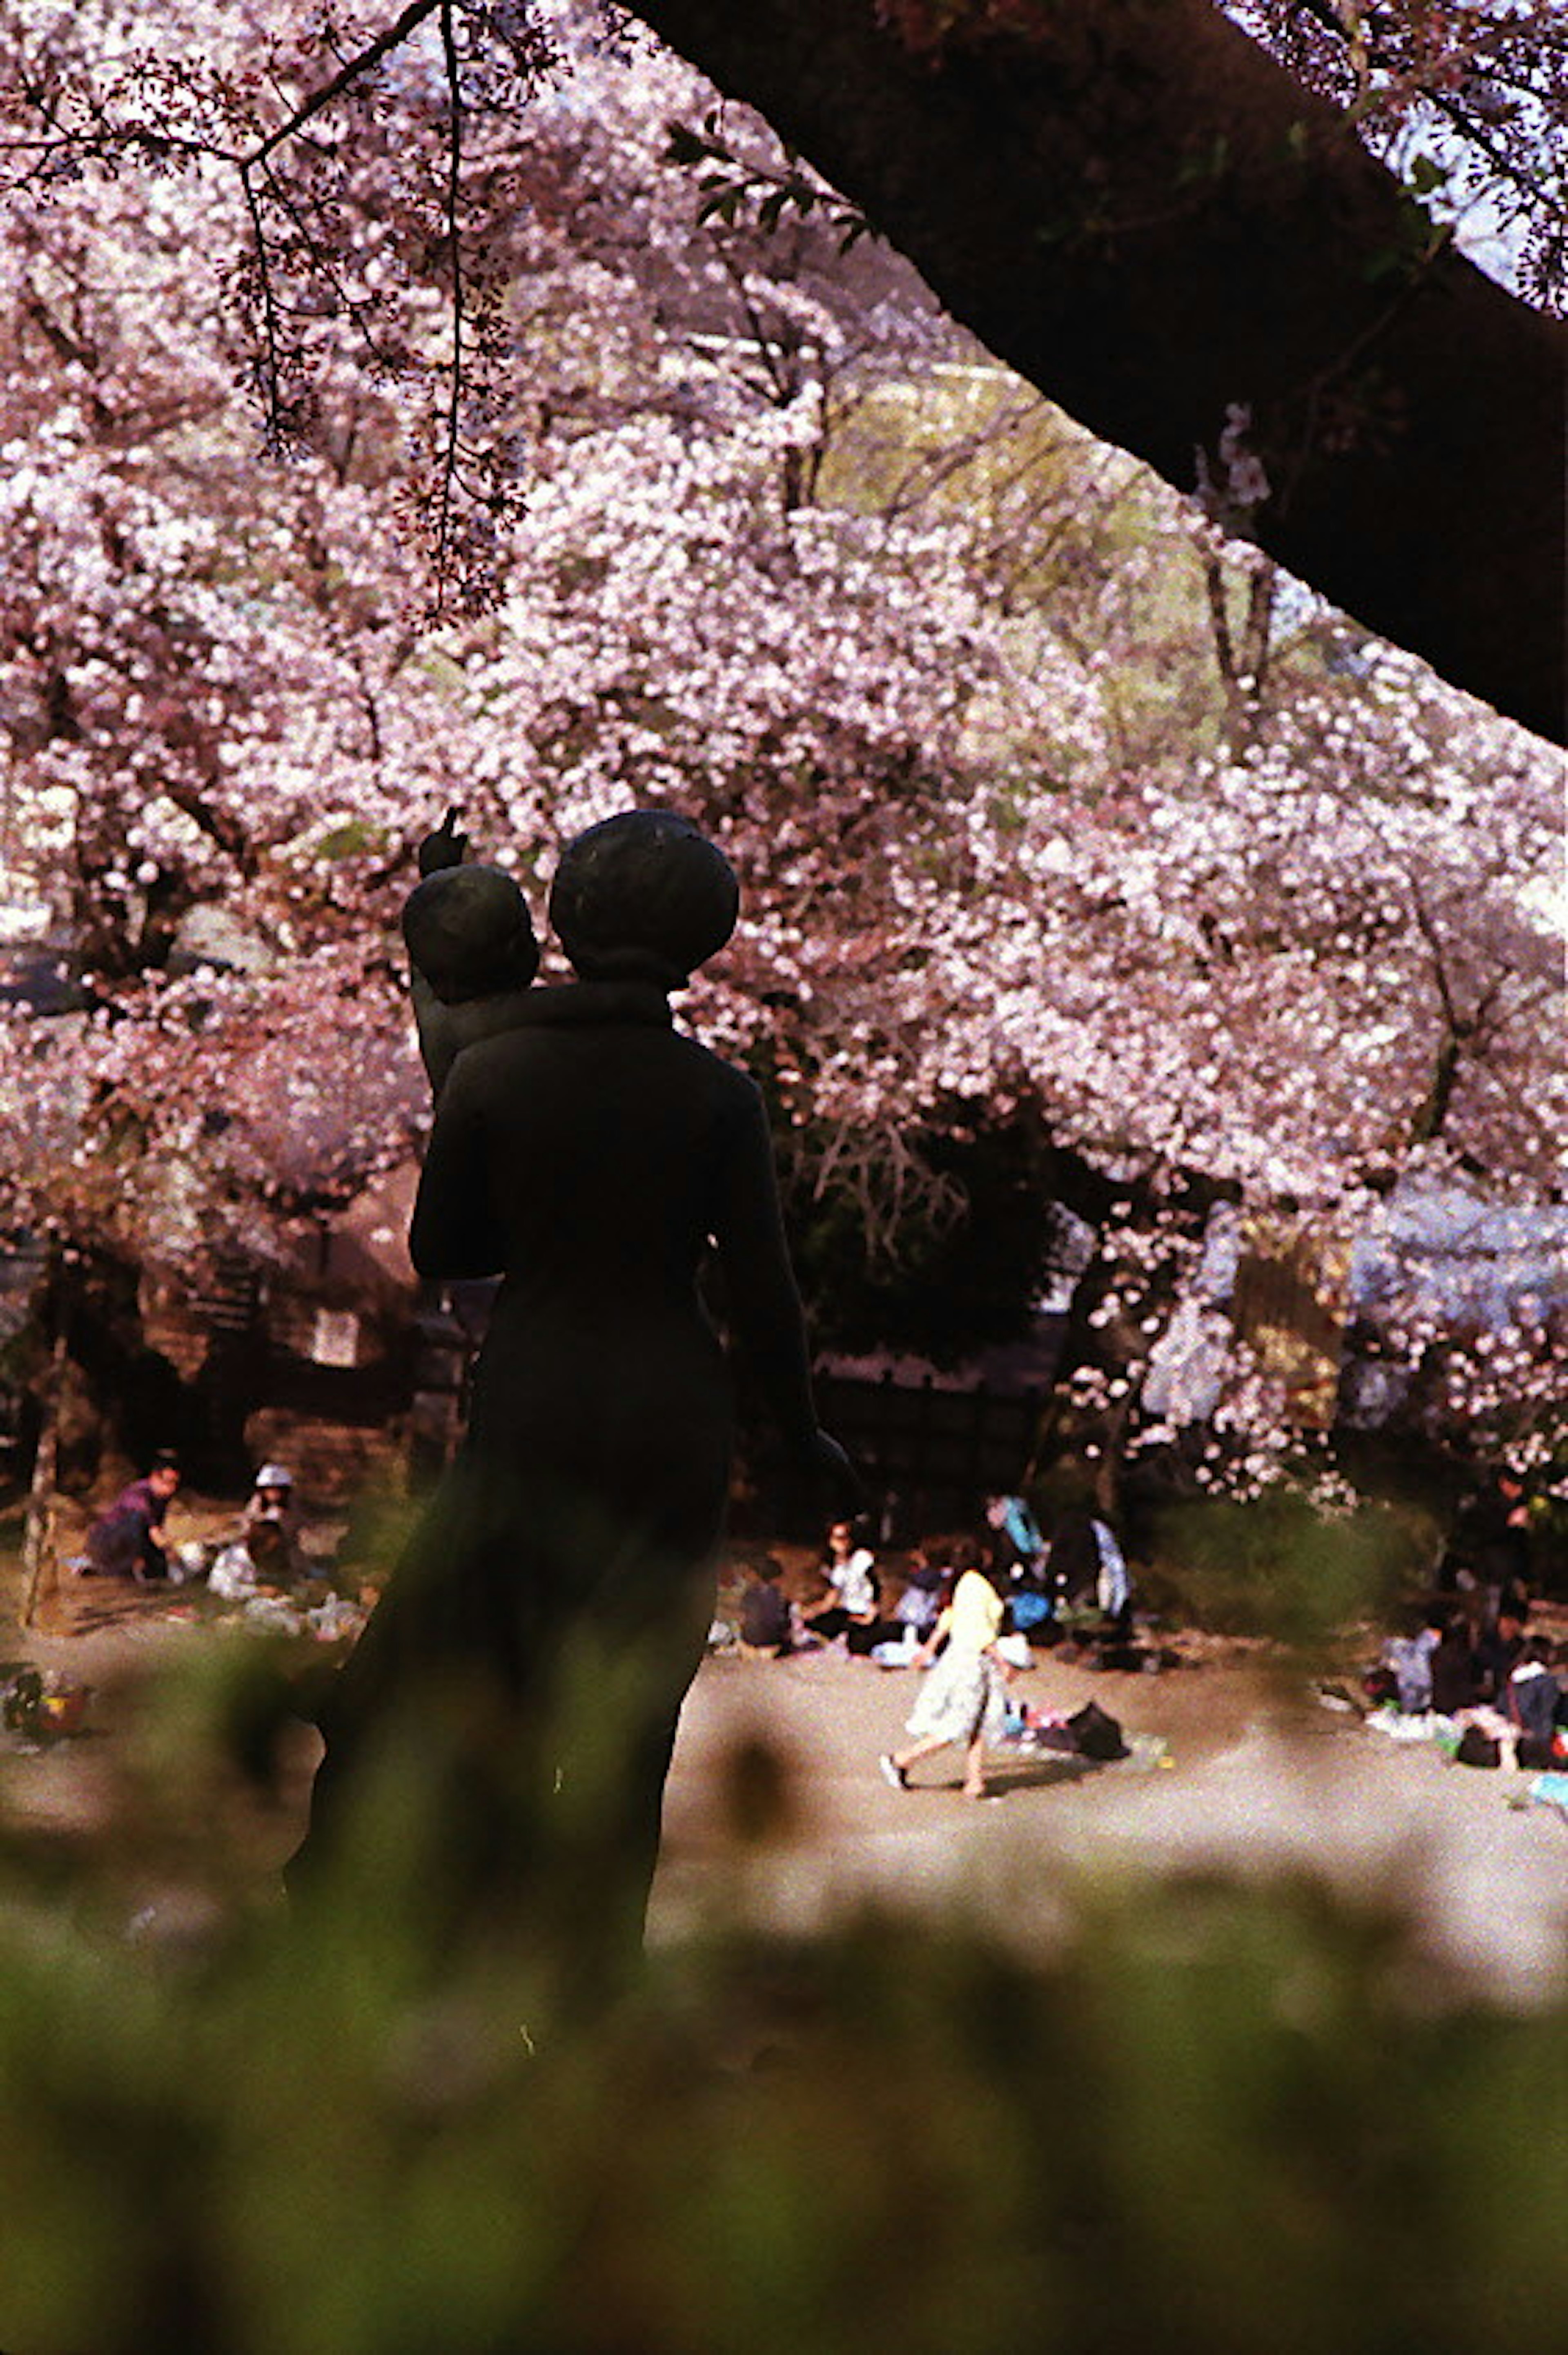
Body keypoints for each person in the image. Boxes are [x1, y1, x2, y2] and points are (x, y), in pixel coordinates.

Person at [289, 810, 853, 2003]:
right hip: (670, 1401)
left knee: (482, 1657)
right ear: (705, 938)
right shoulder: (719, 1095)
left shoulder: (500, 1068)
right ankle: (593, 1975)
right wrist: (800, 1431)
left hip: (540, 1383)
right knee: (630, 1713)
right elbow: (765, 1293)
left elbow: (447, 1243)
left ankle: (438, 1919)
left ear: (566, 912)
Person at [879, 1537, 1012, 1800]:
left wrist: (929, 1648)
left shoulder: (963, 1583)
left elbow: (949, 1618)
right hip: (972, 1660)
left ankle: (975, 1782)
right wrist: (1002, 1660)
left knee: (977, 1723)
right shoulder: (975, 1584)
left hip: (967, 1657)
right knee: (959, 1724)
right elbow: (978, 1629)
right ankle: (901, 1760)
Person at [82, 1453, 181, 1583]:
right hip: (108, 1540)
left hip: (134, 1539)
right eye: (167, 1483)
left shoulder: (161, 1499)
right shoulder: (138, 1495)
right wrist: (170, 1550)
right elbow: (153, 1531)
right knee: (137, 1521)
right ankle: (114, 1566)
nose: (171, 1489)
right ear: (155, 1478)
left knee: (161, 1569)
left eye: (175, 1484)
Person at [801, 1518, 886, 1654]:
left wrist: (871, 1615)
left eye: (844, 1538)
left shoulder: (862, 1558)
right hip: (846, 1612)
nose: (841, 1542)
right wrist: (814, 1611)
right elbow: (833, 1595)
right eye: (837, 1538)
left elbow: (876, 1587)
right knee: (814, 1623)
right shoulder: (834, 1564)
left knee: (859, 1643)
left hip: (864, 1612)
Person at [736, 1554, 796, 1657]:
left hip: (751, 1641)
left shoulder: (750, 1594)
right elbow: (785, 1621)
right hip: (775, 1642)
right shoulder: (781, 1595)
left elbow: (743, 1618)